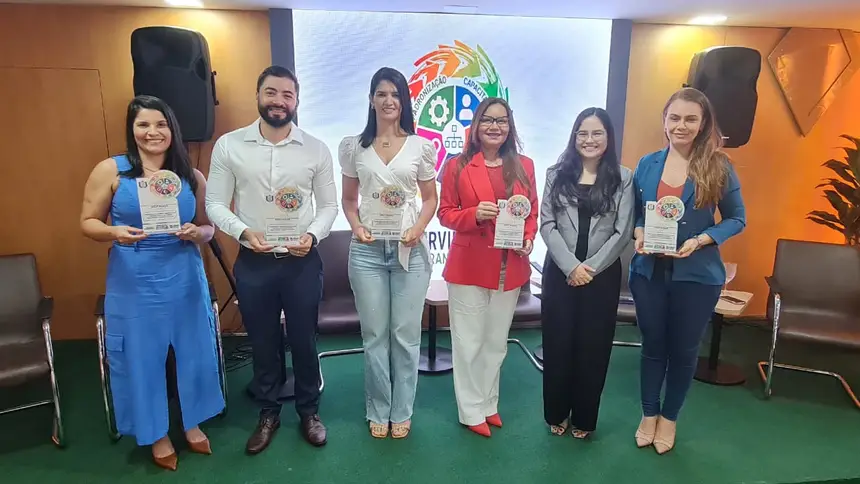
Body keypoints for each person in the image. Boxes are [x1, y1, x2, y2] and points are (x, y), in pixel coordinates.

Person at [80, 95, 224, 471]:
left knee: (195, 350)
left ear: (171, 129)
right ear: (132, 130)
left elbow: (210, 227)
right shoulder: (110, 170)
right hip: (135, 278)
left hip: (184, 276)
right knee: (141, 357)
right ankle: (156, 433)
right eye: (143, 124)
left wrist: (198, 233)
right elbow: (87, 222)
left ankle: (192, 422)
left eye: (160, 124)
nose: (152, 132)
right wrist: (114, 231)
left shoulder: (191, 175)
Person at [205, 65, 338, 454]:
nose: (279, 101)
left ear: (297, 101)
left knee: (304, 340)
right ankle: (268, 412)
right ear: (258, 95)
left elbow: (329, 206)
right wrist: (244, 232)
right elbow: (214, 203)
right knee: (262, 341)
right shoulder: (230, 146)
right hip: (255, 262)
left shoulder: (316, 149)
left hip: (301, 261)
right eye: (271, 93)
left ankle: (309, 411)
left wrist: (312, 235)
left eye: (287, 95)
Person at [630, 87, 745, 454]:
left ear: (702, 123)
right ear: (664, 121)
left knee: (683, 351)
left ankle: (670, 418)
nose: (681, 125)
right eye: (675, 117)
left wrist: (701, 240)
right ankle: (648, 414)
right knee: (652, 347)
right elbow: (635, 213)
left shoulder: (719, 166)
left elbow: (737, 218)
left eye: (690, 119)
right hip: (649, 273)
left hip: (696, 277)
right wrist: (638, 231)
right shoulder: (647, 164)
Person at [338, 67, 437, 439]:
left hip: (409, 251)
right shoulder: (353, 147)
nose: (388, 101)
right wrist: (356, 225)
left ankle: (402, 409)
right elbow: (350, 201)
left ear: (404, 101)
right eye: (381, 94)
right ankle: (379, 407)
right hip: (366, 252)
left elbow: (430, 199)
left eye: (395, 94)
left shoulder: (420, 147)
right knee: (375, 335)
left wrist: (419, 227)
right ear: (371, 100)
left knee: (405, 335)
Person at [437, 97, 538, 438]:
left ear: (510, 127)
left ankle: (488, 404)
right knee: (468, 342)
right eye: (488, 120)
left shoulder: (524, 164)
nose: (495, 126)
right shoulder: (457, 165)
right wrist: (473, 215)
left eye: (503, 121)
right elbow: (445, 213)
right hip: (469, 267)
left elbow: (532, 211)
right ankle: (470, 410)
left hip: (511, 267)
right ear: (476, 126)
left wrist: (528, 237)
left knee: (496, 343)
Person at [539, 107, 634, 439]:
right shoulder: (555, 173)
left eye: (597, 133)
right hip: (560, 273)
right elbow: (547, 224)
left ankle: (584, 418)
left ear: (608, 138)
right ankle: (556, 413)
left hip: (601, 275)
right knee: (558, 343)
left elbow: (622, 232)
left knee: (593, 347)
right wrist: (571, 266)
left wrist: (588, 268)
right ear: (574, 136)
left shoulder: (624, 177)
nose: (589, 140)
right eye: (583, 133)